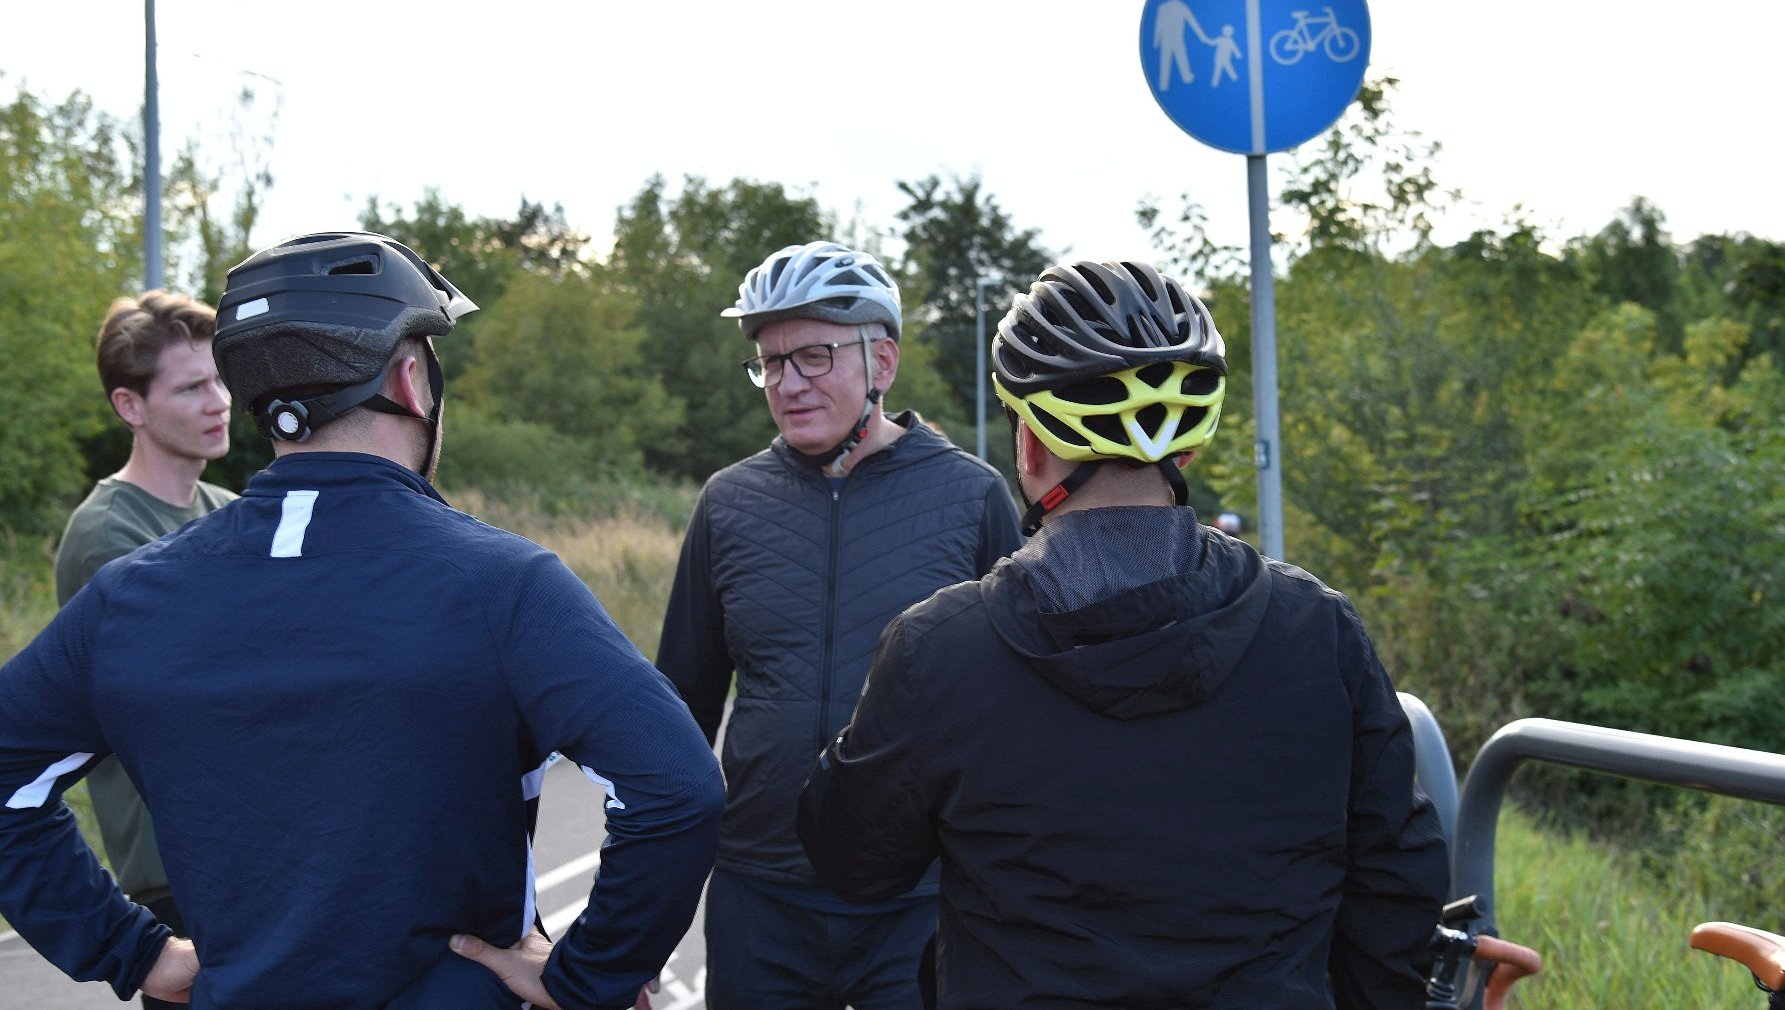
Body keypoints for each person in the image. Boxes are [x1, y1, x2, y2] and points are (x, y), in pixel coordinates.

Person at [0, 231, 724, 1010]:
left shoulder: (126, 596)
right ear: (412, 380)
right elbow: (676, 789)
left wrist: (131, 949)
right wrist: (590, 974)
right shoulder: (504, 583)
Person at [797, 259, 1449, 1009]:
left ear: (1031, 451)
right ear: (1188, 450)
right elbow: (1397, 880)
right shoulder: (1317, 628)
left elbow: (851, 861)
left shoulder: (940, 648)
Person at [656, 240, 1023, 1010]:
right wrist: (642, 917)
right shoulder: (729, 503)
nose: (788, 384)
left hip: (916, 898)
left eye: (814, 356)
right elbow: (678, 713)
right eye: (770, 362)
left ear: (882, 363)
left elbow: (1019, 711)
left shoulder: (972, 497)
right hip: (759, 893)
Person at [50, 290, 234, 1010]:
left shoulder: (224, 507)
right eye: (192, 387)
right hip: (175, 864)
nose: (219, 400)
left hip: (248, 847)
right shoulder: (109, 535)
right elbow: (203, 689)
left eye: (218, 379)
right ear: (131, 407)